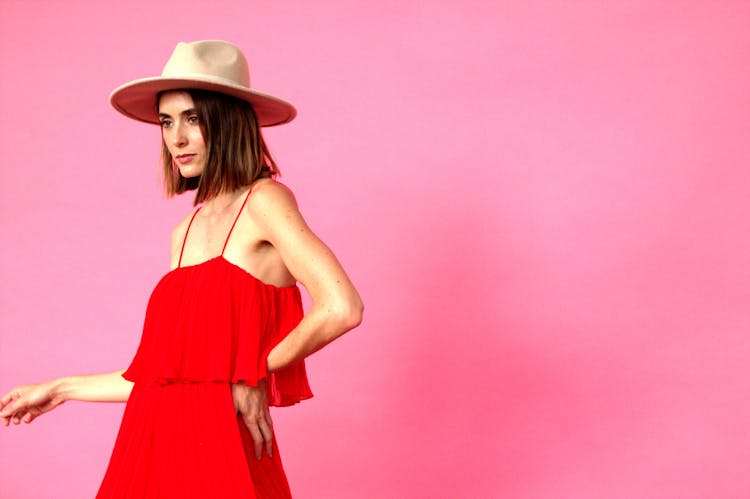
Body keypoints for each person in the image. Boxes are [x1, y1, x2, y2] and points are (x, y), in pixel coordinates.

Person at [0, 40, 363, 498]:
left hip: (220, 453)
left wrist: (252, 371)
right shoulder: (184, 230)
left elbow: (342, 307)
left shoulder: (266, 202)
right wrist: (59, 388)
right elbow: (162, 378)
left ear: (228, 122)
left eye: (193, 118)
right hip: (148, 447)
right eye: (167, 122)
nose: (177, 137)